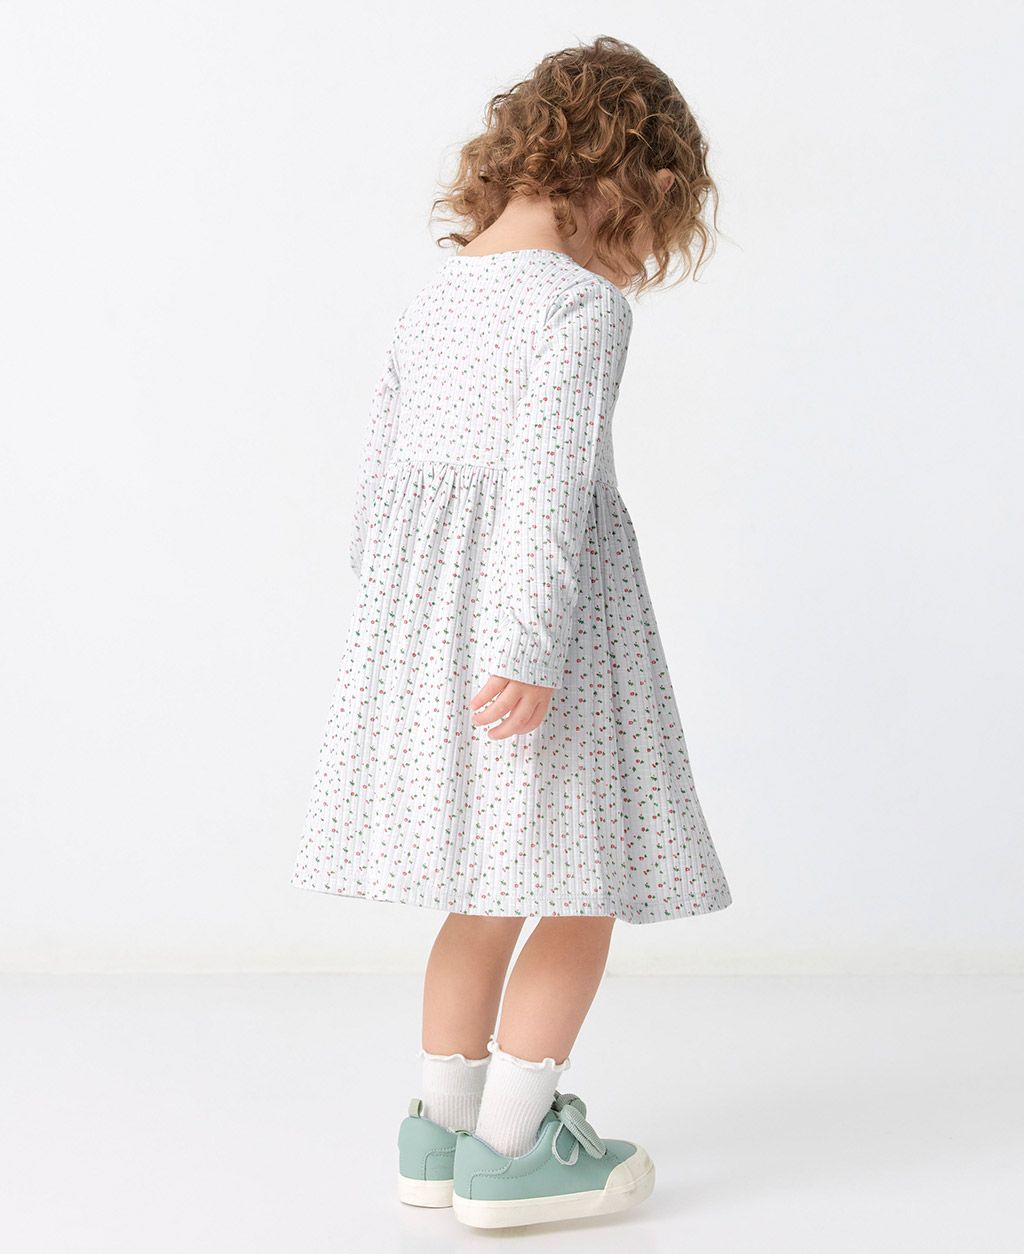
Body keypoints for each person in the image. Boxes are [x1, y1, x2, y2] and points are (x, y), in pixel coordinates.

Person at [290, 34, 733, 1228]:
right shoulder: (578, 308)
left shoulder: (433, 298)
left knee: (482, 892)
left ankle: (435, 1140)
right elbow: (547, 482)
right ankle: (514, 1149)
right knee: (578, 890)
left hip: (431, 634)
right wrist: (526, 650)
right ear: (635, 183)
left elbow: (380, 490)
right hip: (544, 641)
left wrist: (408, 633)